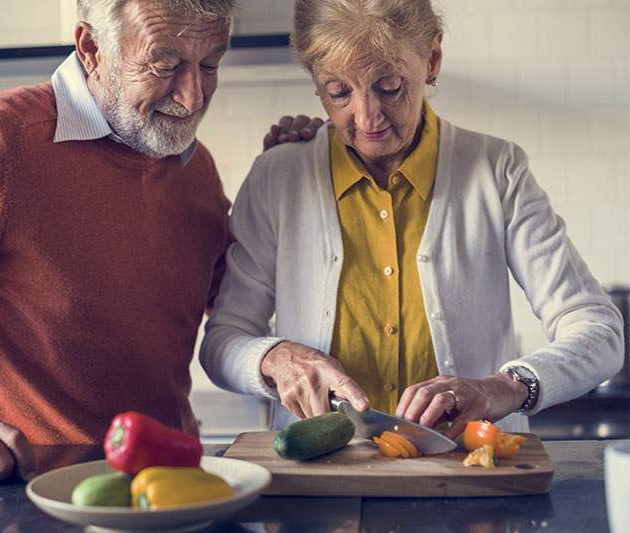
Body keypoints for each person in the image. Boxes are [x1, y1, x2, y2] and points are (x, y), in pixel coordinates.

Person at [0, 0, 281, 487]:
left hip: (167, 486)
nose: (193, 97)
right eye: (164, 64)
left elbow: (231, 301)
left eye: (210, 64)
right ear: (92, 48)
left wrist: (297, 177)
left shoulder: (193, 163)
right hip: (17, 493)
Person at [200, 0, 624, 439]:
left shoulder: (497, 171)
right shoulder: (279, 176)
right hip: (324, 479)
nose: (367, 118)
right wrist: (277, 357)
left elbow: (600, 331)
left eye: (389, 86)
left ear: (432, 59)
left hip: (471, 477)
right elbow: (222, 341)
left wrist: (503, 387)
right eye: (339, 91)